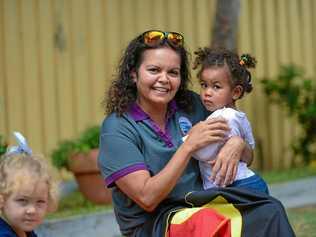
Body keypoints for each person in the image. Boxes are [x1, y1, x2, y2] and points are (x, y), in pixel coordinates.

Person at [98, 30, 295, 236]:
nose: (164, 79)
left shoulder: (192, 105)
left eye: (173, 72)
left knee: (269, 210)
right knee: (211, 222)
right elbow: (147, 198)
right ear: (133, 74)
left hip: (205, 204)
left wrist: (237, 144)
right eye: (154, 70)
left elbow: (248, 158)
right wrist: (189, 145)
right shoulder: (117, 128)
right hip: (155, 223)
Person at [185, 47, 269, 194]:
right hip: (248, 181)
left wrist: (189, 137)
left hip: (236, 186)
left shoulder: (223, 117)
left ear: (236, 92)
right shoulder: (239, 116)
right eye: (204, 85)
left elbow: (202, 153)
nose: (207, 93)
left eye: (216, 87)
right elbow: (248, 155)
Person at [0, 132, 59, 237]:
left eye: (40, 201)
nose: (32, 210)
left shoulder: (24, 230)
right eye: (22, 200)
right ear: (2, 199)